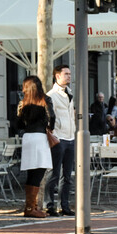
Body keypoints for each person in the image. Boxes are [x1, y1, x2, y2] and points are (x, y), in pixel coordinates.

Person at [15, 76, 54, 218]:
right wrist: (50, 128)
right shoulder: (45, 100)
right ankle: (32, 208)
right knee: (39, 172)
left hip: (27, 137)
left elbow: (18, 124)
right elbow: (52, 117)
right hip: (39, 137)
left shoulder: (22, 102)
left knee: (31, 172)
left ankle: (30, 207)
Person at [45, 65, 76, 217]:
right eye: (66, 74)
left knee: (68, 176)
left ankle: (65, 205)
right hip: (59, 138)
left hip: (70, 137)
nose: (69, 76)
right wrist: (54, 134)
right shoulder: (51, 95)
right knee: (54, 173)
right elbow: (50, 117)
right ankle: (50, 205)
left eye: (70, 74)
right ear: (57, 76)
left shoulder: (69, 93)